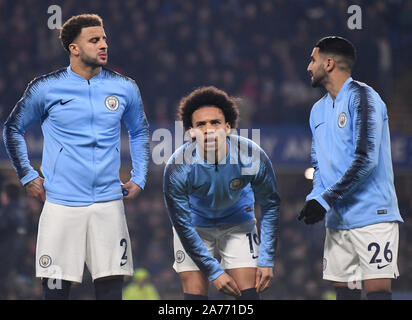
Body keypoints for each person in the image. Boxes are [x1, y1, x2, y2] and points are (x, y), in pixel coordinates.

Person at [2, 14, 149, 300]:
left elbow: (140, 132)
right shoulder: (46, 87)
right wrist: (28, 175)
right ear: (74, 48)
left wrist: (140, 176)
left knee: (110, 288)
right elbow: (12, 129)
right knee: (56, 289)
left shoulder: (125, 87)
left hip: (108, 204)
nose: (104, 45)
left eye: (104, 38)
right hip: (61, 205)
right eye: (94, 40)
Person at [299, 36, 403, 300]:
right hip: (338, 221)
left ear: (329, 63)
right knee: (345, 296)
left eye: (313, 60)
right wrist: (315, 198)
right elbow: (318, 165)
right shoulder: (317, 111)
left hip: (372, 215)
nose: (309, 67)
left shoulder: (364, 97)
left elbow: (366, 159)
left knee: (377, 294)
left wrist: (325, 200)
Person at [163, 86, 280, 300]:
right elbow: (181, 223)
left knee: (248, 297)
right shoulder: (178, 167)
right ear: (191, 132)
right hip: (194, 228)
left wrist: (266, 259)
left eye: (215, 122)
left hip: (238, 223)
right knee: (195, 297)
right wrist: (215, 272)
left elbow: (270, 206)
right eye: (201, 124)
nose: (209, 129)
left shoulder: (251, 156)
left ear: (227, 127)